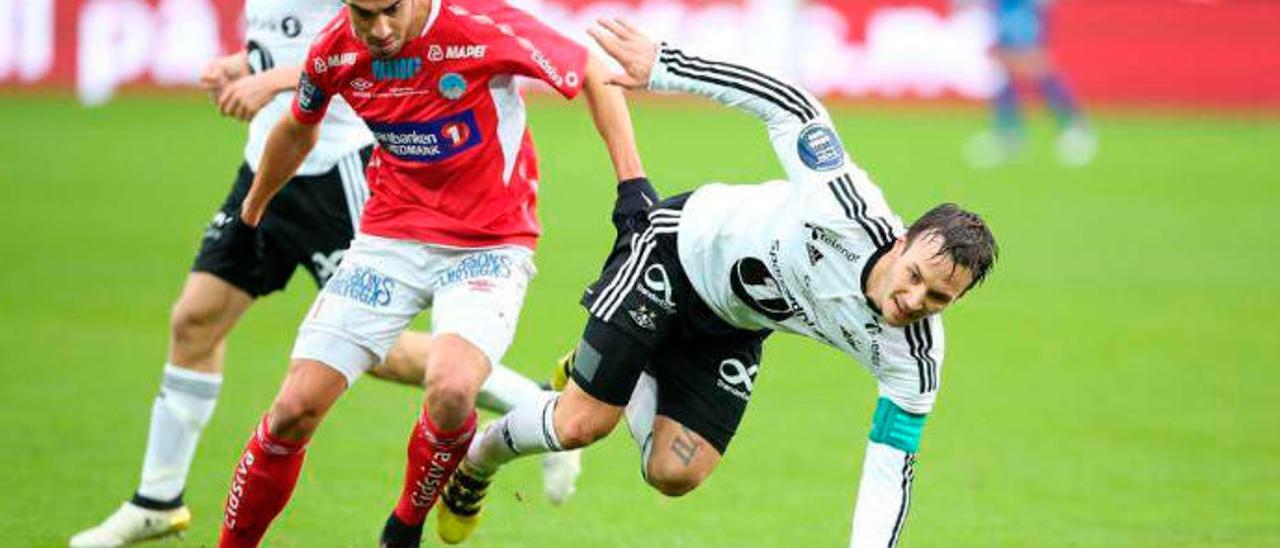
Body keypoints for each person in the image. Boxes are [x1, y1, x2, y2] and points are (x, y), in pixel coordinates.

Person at [434, 19, 998, 548]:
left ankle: (613, 365)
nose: (912, 300)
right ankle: (476, 462)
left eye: (937, 300)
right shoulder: (841, 206)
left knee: (675, 474)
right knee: (583, 424)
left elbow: (889, 467)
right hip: (676, 252)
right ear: (900, 243)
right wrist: (664, 66)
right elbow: (790, 105)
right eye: (915, 276)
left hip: (733, 325)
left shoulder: (915, 359)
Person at [67, 1, 583, 546]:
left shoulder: (379, 19)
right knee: (196, 320)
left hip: (338, 174)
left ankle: (526, 404)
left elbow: (369, 42)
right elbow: (294, 36)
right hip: (266, 163)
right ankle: (158, 497)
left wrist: (274, 79)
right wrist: (247, 62)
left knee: (379, 354)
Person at [213, 0, 644, 547]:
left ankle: (404, 530)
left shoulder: (478, 24)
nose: (380, 29)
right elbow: (300, 128)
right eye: (363, 15)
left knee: (451, 390)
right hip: (387, 240)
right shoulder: (335, 47)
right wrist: (249, 213)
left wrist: (633, 186)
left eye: (391, 10)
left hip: (488, 244)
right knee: (293, 410)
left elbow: (589, 69)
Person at [964, 0, 1097, 167]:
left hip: (1023, 15)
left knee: (1038, 69)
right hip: (1005, 17)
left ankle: (1075, 128)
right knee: (1005, 75)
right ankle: (1009, 134)